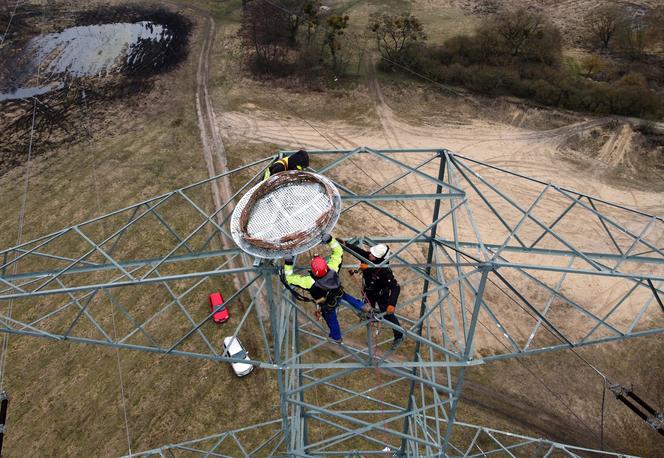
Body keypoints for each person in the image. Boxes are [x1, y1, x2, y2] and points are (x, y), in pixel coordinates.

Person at [284, 233, 367, 343]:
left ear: (313, 271)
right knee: (348, 298)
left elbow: (289, 278)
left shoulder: (309, 282)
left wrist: (288, 262)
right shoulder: (333, 268)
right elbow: (338, 252)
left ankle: (336, 337)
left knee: (331, 319)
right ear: (325, 265)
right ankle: (365, 307)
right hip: (339, 293)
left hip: (327, 304)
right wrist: (330, 240)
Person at [340, 240, 404, 349]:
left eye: (373, 255)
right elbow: (356, 251)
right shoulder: (367, 257)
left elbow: (395, 287)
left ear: (380, 259)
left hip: (380, 294)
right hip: (368, 291)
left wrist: (392, 304)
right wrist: (344, 244)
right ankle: (372, 317)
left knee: (387, 313)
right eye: (371, 253)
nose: (370, 255)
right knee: (367, 310)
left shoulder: (385, 271)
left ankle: (399, 336)